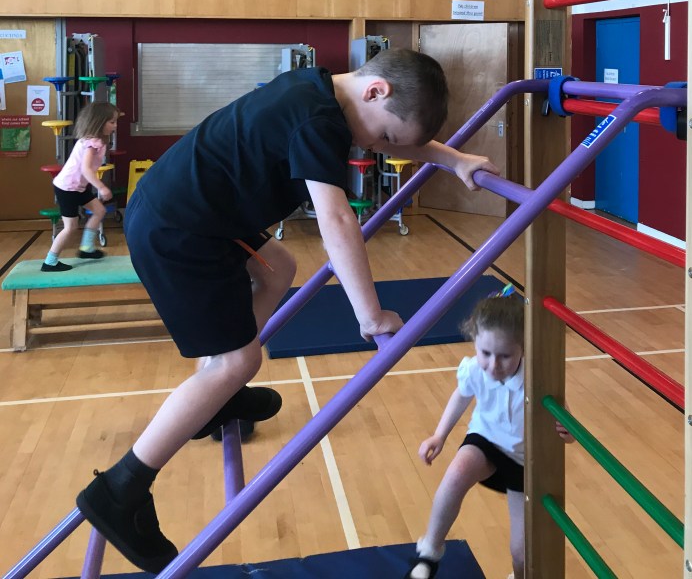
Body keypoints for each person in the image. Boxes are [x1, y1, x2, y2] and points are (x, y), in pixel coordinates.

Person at [75, 49, 500, 572]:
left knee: (278, 266)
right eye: (384, 136)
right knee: (239, 361)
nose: (377, 147)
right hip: (179, 230)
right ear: (375, 92)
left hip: (197, 214)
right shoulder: (320, 120)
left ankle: (221, 395)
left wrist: (455, 160)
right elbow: (336, 220)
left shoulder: (319, 91)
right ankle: (121, 490)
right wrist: (370, 315)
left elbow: (399, 137)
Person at [403, 287, 574, 579]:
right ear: (474, 341)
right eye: (485, 353)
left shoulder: (538, 378)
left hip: (523, 461)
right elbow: (461, 395)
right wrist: (439, 435)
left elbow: (565, 423)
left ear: (523, 347)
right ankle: (430, 552)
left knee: (521, 552)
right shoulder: (474, 369)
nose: (493, 365)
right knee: (456, 474)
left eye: (505, 356)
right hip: (485, 442)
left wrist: (567, 432)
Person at [42, 101, 119, 272]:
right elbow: (86, 169)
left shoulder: (96, 141)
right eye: (112, 122)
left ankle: (86, 248)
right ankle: (50, 261)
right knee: (70, 227)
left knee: (99, 211)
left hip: (78, 187)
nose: (115, 126)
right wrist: (102, 187)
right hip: (67, 188)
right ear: (99, 122)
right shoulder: (92, 143)